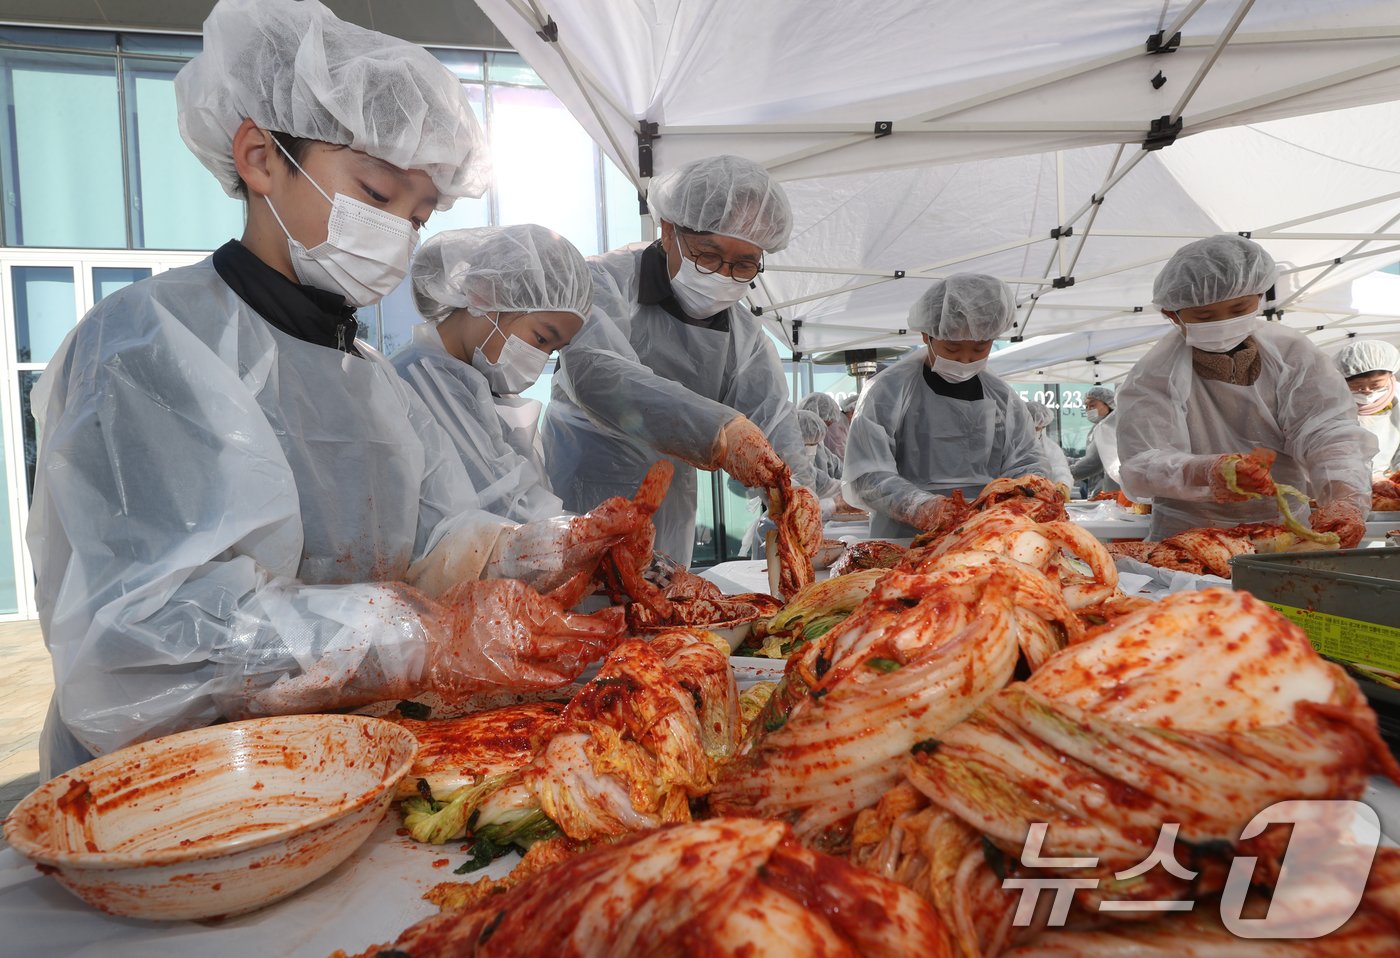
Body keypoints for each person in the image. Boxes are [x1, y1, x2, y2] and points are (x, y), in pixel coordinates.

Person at [27, 0, 632, 777]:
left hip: (335, 765)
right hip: (173, 785)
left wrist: (542, 549)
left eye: (420, 216)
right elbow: (148, 639)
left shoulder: (368, 379)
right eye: (378, 197)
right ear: (259, 157)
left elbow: (429, 548)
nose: (400, 237)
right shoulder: (148, 343)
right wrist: (415, 638)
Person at [542, 154, 814, 566]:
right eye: (708, 255)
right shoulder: (606, 281)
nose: (723, 276)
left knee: (665, 614)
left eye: (743, 265)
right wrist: (720, 432)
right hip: (585, 494)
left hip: (670, 511)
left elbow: (774, 421)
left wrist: (799, 498)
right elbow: (597, 374)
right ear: (668, 231)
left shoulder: (743, 334)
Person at [1117, 234, 1375, 545]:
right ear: (1172, 315)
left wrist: (1344, 498)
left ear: (1260, 295)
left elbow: (1330, 432)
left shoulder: (1293, 354)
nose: (1224, 322)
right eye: (1205, 316)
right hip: (1188, 536)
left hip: (1287, 530)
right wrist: (1207, 471)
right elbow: (1141, 464)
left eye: (1239, 308)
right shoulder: (1153, 374)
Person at [394, 225, 590, 522]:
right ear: (485, 293)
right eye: (540, 339)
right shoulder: (412, 381)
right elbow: (493, 512)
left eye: (552, 350)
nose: (539, 361)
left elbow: (523, 508)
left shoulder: (479, 394)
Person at [842, 273, 1045, 538]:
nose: (964, 359)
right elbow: (868, 474)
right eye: (952, 349)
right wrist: (923, 507)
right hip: (904, 539)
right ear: (926, 335)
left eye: (980, 348)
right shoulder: (887, 391)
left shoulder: (1003, 397)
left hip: (984, 536)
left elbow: (1027, 461)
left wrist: (1028, 492)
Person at [1333, 339, 1400, 478]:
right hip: (1343, 476)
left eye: (1376, 384)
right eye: (1358, 385)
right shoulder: (1332, 401)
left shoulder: (1397, 396)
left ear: (1391, 374)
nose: (1367, 391)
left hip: (1384, 475)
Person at [1069, 385, 1120, 496]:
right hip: (1102, 490)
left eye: (1092, 405)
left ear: (1109, 404)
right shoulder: (1098, 427)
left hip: (1115, 490)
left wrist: (1063, 473)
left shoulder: (1110, 427)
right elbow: (1091, 457)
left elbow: (1093, 463)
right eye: (1086, 406)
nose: (1088, 409)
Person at [1025, 400, 1074, 488]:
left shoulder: (1051, 448)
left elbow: (1060, 470)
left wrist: (1063, 484)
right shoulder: (1006, 444)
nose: (1035, 431)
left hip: (1042, 496)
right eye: (1031, 427)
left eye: (1039, 428)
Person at [797, 392, 844, 480]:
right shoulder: (795, 446)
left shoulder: (819, 446)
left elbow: (836, 466)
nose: (825, 431)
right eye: (826, 424)